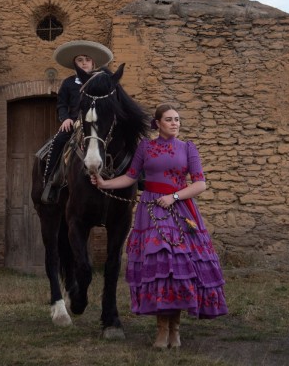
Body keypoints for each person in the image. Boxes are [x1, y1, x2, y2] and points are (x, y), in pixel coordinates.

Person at [90, 103, 228, 349]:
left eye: (177, 119)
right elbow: (131, 177)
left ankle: (175, 330)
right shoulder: (145, 147)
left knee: (178, 270)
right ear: (158, 123)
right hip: (152, 211)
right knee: (161, 268)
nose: (175, 123)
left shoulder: (188, 148)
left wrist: (174, 197)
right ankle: (162, 330)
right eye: (169, 119)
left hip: (180, 210)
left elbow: (200, 184)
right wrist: (104, 183)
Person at [40, 40, 114, 203]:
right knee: (58, 141)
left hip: (97, 121)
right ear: (75, 64)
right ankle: (50, 181)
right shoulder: (68, 83)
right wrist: (65, 118)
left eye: (87, 60)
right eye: (80, 60)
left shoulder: (101, 81)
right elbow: (62, 104)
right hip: (74, 122)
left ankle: (136, 177)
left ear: (93, 63)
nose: (84, 63)